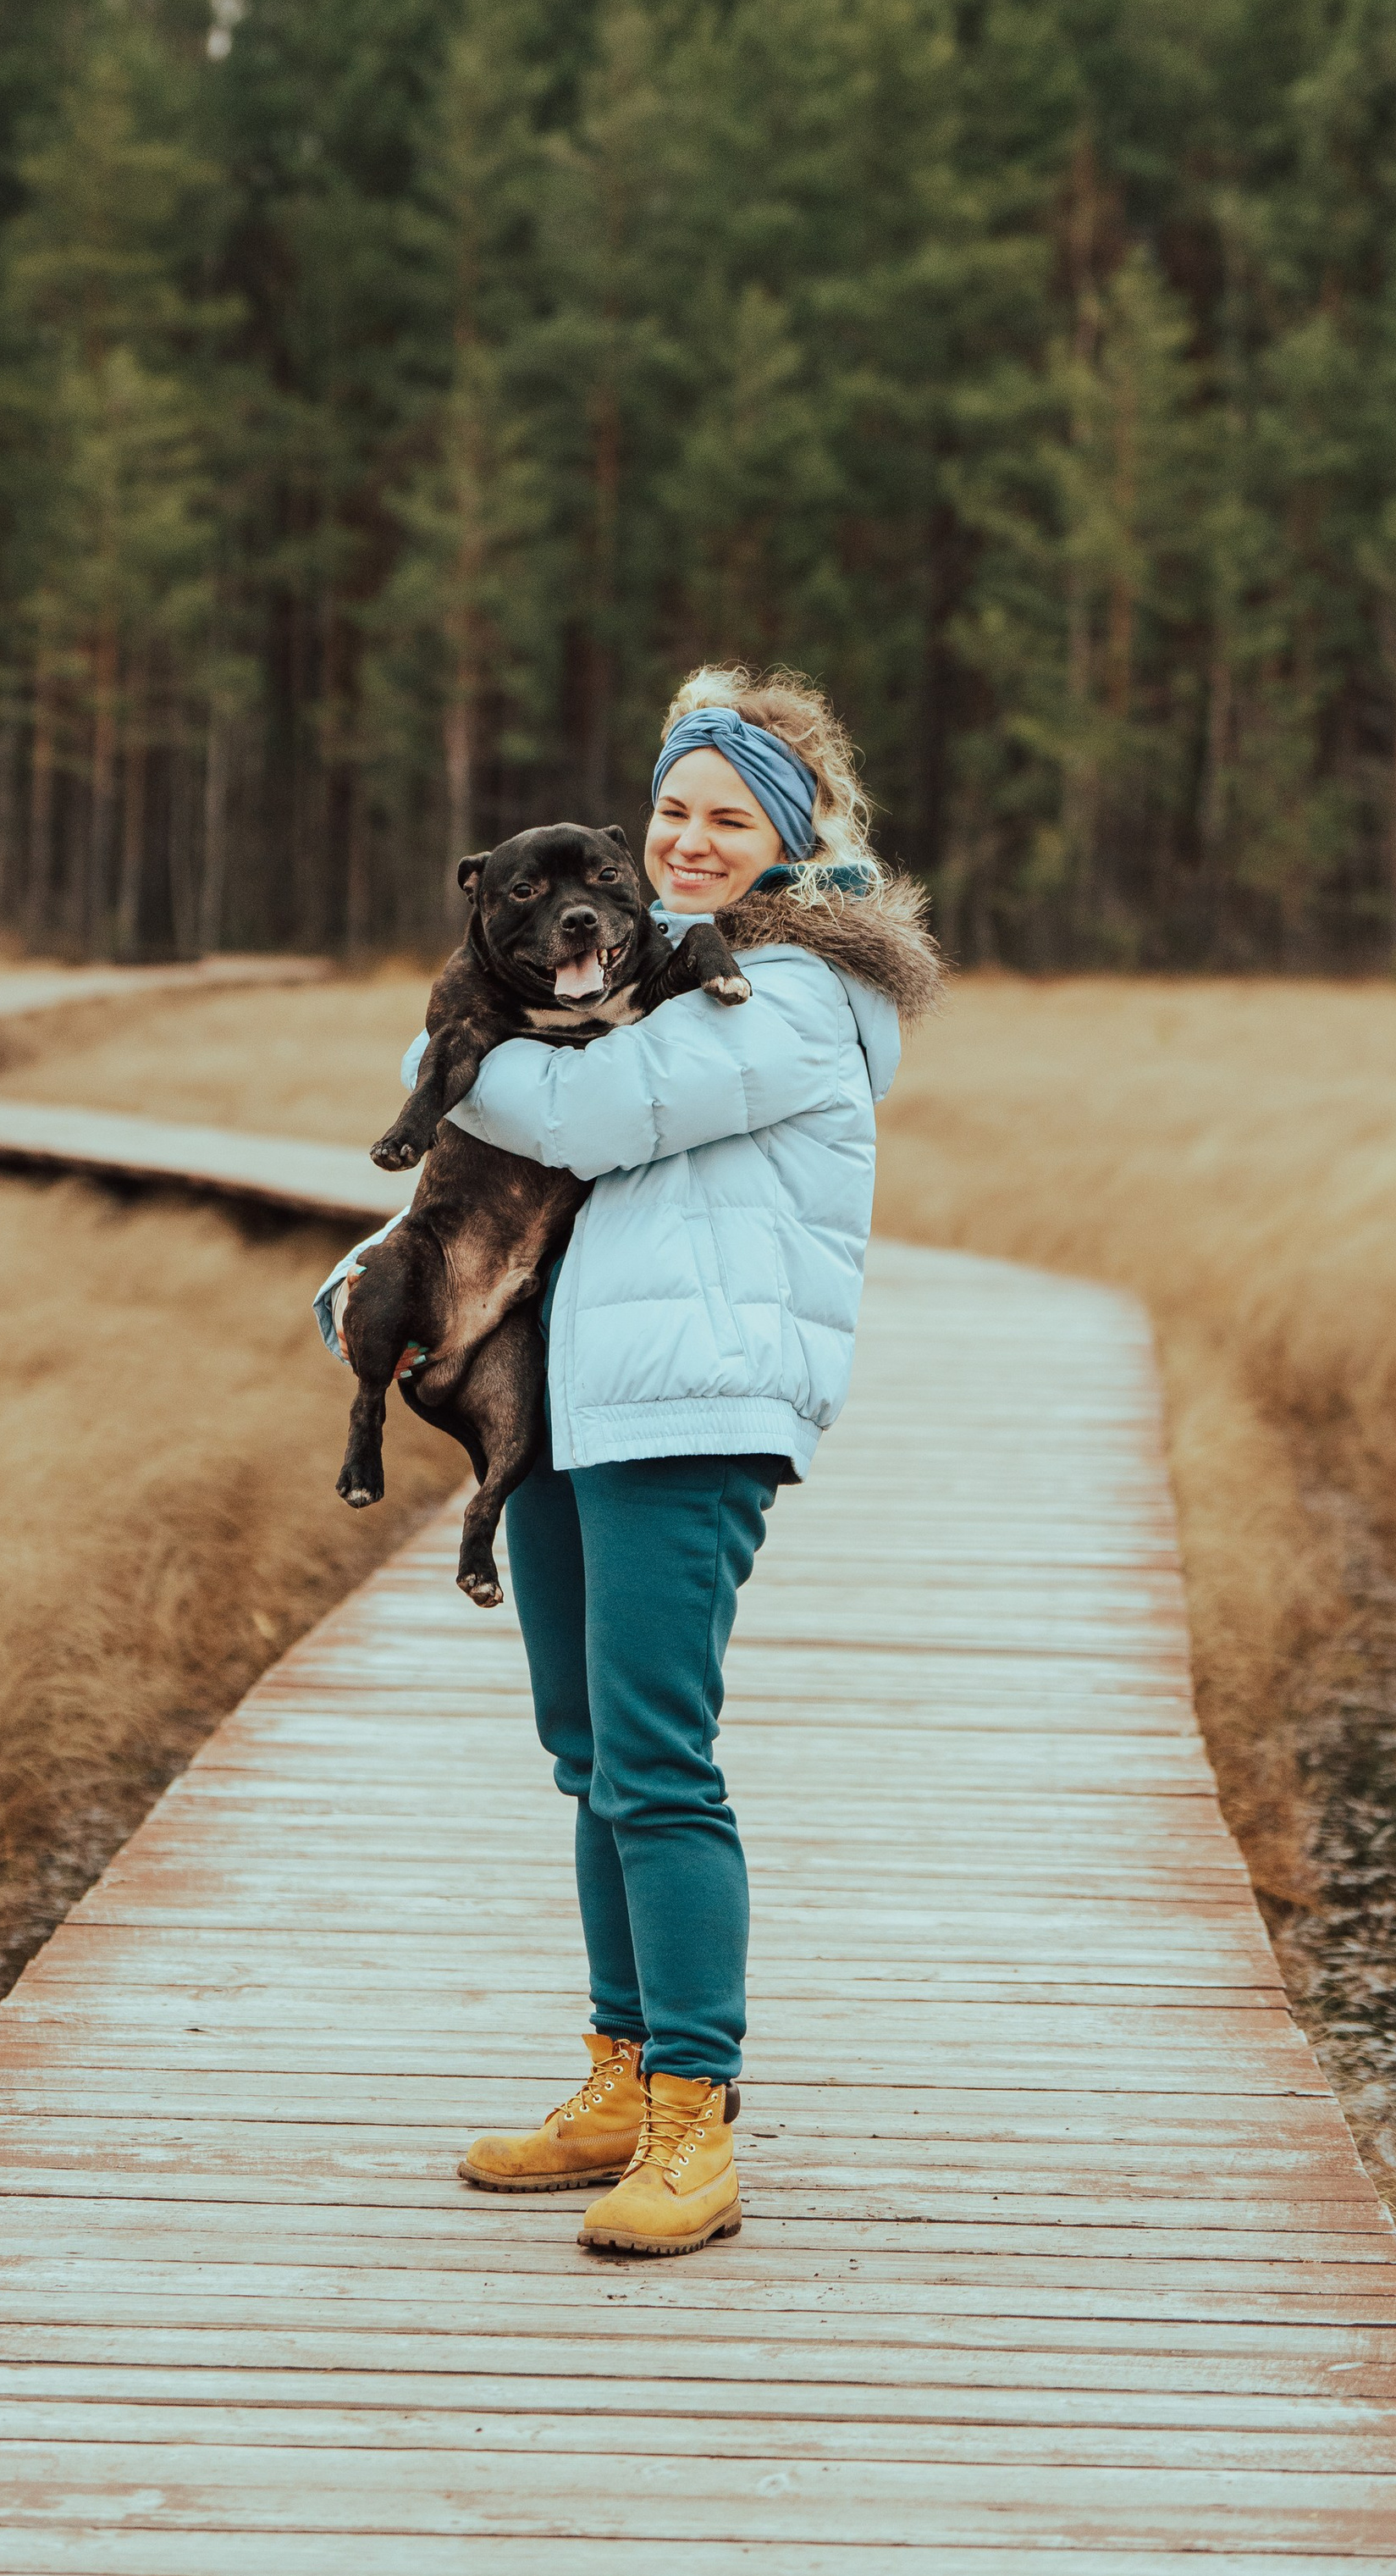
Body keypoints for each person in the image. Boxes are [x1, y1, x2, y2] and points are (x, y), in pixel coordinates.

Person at [316, 664, 939, 2256]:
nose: (691, 841)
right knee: (589, 1753)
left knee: (658, 1762)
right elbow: (503, 1160)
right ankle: (615, 2071)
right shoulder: (654, 966)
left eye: (731, 817)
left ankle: (694, 2119)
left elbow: (584, 1119)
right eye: (673, 808)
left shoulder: (795, 994)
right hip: (582, 1406)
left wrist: (443, 1032)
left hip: (697, 1405)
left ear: (790, 838)